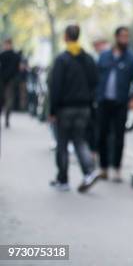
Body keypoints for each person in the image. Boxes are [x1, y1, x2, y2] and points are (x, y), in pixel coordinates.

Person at [49, 25, 100, 192]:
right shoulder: (88, 59)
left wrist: (52, 111)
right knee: (79, 141)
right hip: (84, 107)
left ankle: (63, 179)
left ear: (65, 37)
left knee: (62, 143)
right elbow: (95, 82)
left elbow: (55, 86)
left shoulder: (62, 59)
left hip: (65, 108)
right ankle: (89, 172)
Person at [96, 27, 133, 182]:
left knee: (119, 136)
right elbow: (97, 76)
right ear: (116, 37)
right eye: (122, 36)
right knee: (102, 133)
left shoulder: (132, 58)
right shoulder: (104, 56)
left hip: (121, 102)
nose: (125, 39)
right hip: (103, 101)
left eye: (127, 36)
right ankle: (103, 167)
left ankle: (116, 168)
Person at [0, 38, 21, 129]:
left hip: (4, 80)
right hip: (10, 80)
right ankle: (7, 119)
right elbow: (19, 69)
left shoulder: (2, 55)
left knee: (4, 99)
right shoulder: (16, 56)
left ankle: (6, 118)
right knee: (8, 100)